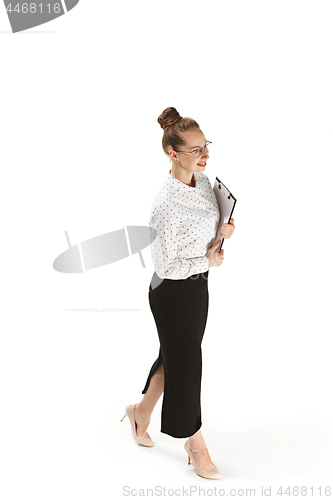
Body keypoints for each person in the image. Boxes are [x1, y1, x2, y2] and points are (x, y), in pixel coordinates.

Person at [121, 107, 235, 480]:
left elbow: (205, 226)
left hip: (198, 288)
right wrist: (207, 261)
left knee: (176, 358)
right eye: (196, 150)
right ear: (173, 154)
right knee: (187, 365)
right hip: (171, 293)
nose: (205, 155)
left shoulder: (201, 181)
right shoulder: (165, 205)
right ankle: (194, 442)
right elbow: (165, 266)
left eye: (206, 146)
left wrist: (223, 231)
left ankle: (140, 412)